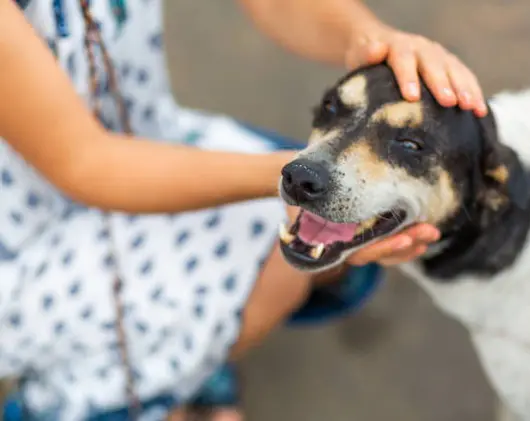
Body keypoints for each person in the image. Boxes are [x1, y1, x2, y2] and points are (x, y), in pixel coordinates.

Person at [0, 0, 487, 420]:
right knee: (285, 261)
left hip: (144, 135)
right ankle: (76, 401)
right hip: (25, 232)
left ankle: (183, 353)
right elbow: (85, 164)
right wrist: (305, 177)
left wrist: (375, 40)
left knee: (315, 237)